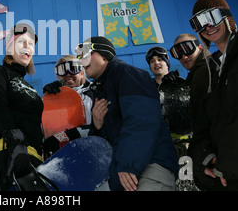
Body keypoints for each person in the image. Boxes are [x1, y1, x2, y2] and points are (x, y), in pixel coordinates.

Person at [76, 36, 179, 191]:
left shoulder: (127, 74)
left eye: (85, 55)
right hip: (125, 173)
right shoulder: (102, 87)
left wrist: (127, 163)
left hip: (150, 167)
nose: (81, 61)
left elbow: (142, 119)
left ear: (103, 55)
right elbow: (110, 137)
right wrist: (97, 124)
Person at [187, 0, 238, 191]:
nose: (207, 27)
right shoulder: (211, 73)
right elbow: (202, 127)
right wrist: (206, 159)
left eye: (212, 17)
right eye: (199, 23)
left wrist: (230, 161)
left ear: (226, 15)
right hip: (229, 179)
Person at [0, 23, 46, 191]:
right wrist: (17, 144)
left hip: (32, 157)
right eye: (21, 41)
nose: (27, 47)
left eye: (31, 44)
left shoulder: (29, 86)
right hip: (6, 152)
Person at [41, 55, 94, 157]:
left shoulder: (95, 93)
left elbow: (103, 127)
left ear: (82, 73)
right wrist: (49, 100)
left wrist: (70, 134)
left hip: (92, 150)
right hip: (66, 157)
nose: (68, 75)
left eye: (73, 69)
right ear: (58, 77)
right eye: (62, 70)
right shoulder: (51, 99)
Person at [145, 46, 192, 155]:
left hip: (185, 144)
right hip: (159, 146)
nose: (156, 63)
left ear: (167, 63)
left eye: (160, 59)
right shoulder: (147, 89)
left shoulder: (182, 84)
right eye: (152, 61)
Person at [170, 34, 208, 123]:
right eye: (178, 53)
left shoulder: (210, 69)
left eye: (188, 49)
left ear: (200, 47)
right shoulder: (194, 75)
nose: (184, 57)